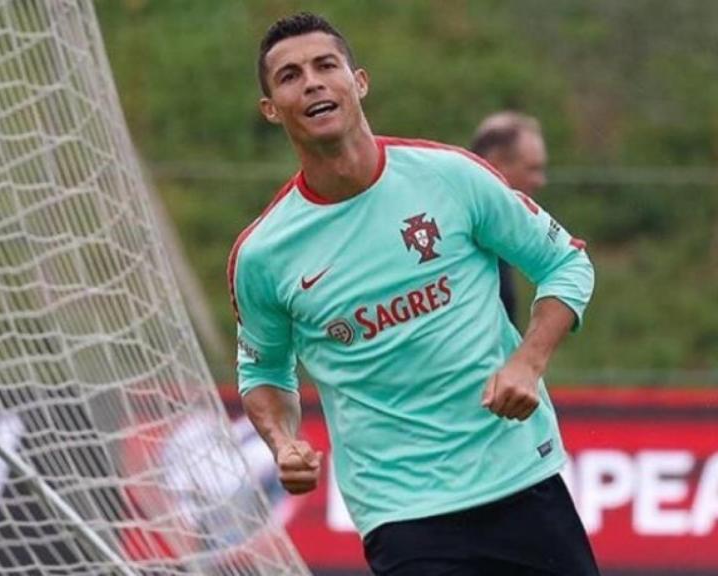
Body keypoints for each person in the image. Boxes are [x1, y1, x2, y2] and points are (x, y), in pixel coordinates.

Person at [227, 12, 598, 576]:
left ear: (359, 81)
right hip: (403, 514)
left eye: (326, 66)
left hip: (520, 477)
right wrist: (282, 440)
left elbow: (566, 262)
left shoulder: (450, 178)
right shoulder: (263, 255)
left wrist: (528, 361)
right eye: (290, 76)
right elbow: (265, 372)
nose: (312, 82)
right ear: (271, 109)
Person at [470, 112, 550, 326]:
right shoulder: (460, 231)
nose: (540, 181)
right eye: (532, 169)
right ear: (496, 164)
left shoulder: (499, 231)